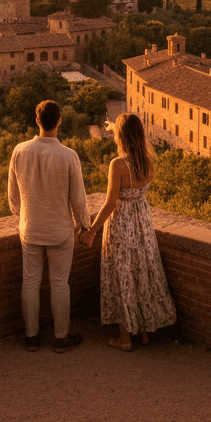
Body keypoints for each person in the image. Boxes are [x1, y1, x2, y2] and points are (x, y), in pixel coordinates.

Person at [79, 112, 177, 351]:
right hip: (142, 224)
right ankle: (142, 330)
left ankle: (125, 338)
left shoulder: (118, 164)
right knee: (141, 275)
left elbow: (111, 203)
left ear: (121, 137)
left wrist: (92, 231)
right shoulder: (147, 161)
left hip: (122, 225)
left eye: (117, 134)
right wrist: (115, 126)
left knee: (122, 277)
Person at [8, 99, 89, 353]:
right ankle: (60, 337)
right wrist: (83, 226)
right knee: (59, 284)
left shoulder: (19, 151)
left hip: (30, 228)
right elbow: (78, 199)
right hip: (60, 231)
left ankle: (32, 337)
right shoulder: (69, 156)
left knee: (30, 282)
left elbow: (13, 196)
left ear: (37, 120)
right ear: (60, 121)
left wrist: (24, 217)